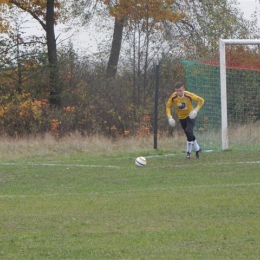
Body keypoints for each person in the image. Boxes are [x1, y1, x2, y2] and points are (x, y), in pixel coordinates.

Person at [166, 82, 205, 159]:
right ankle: (198, 149)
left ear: (183, 89)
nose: (178, 92)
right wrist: (169, 117)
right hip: (181, 118)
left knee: (188, 131)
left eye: (180, 90)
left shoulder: (188, 95)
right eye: (176, 91)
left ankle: (188, 153)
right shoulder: (173, 97)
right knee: (189, 134)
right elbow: (168, 106)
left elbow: (201, 100)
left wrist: (196, 111)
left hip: (191, 115)